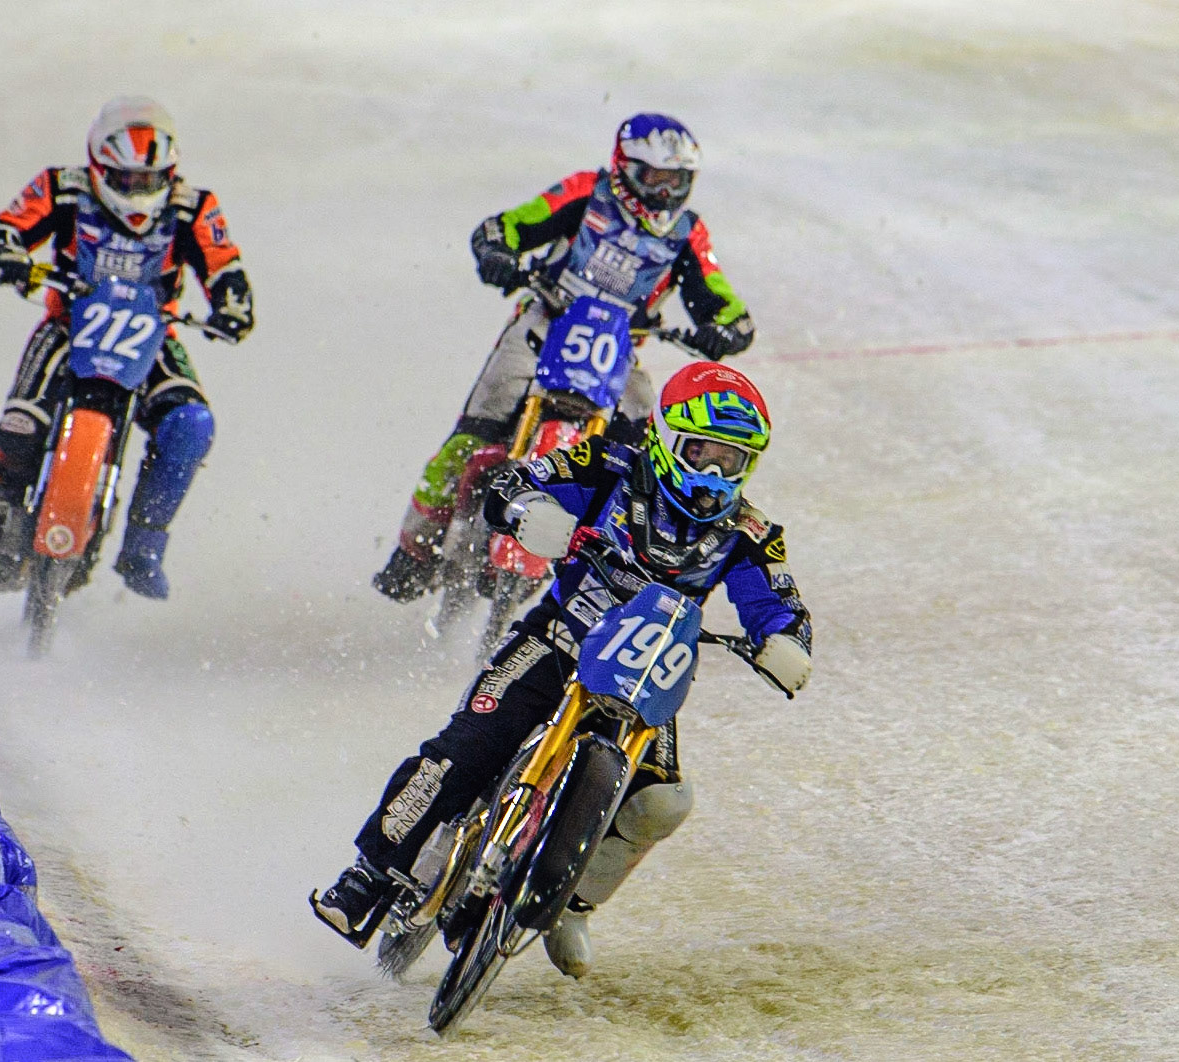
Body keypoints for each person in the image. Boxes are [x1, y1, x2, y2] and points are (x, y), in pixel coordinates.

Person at [314, 361, 810, 978]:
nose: (712, 475)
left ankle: (572, 904)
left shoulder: (749, 533)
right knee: (468, 745)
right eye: (702, 452)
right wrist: (524, 510)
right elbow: (515, 481)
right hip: (560, 635)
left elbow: (780, 603)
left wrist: (786, 640)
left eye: (731, 461)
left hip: (650, 672)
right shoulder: (606, 466)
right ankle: (368, 873)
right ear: (663, 436)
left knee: (663, 802)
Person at [373, 112, 758, 603]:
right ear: (624, 168)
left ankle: (623, 565)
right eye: (653, 179)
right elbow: (511, 225)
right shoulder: (586, 191)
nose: (663, 193)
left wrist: (725, 328)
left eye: (675, 181)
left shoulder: (687, 233)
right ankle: (413, 552)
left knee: (643, 461)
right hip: (545, 323)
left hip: (620, 351)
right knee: (468, 441)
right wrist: (499, 251)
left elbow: (722, 298)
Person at [0, 96, 253, 609]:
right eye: (125, 181)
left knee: (191, 423)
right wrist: (11, 260)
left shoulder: (195, 207)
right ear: (99, 166)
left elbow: (225, 265)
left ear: (169, 173)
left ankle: (144, 545)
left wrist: (233, 305)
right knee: (18, 430)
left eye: (149, 181)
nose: (137, 194)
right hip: (68, 326)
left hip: (152, 335)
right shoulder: (60, 189)